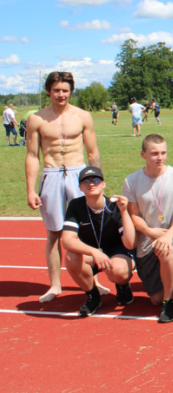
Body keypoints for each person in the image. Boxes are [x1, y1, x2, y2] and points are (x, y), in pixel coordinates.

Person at [25, 71, 102, 303]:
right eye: (57, 90)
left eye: (65, 90)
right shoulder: (36, 119)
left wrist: (97, 181)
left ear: (71, 91)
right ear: (48, 91)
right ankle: (55, 285)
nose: (61, 94)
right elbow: (32, 156)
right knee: (54, 233)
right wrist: (30, 189)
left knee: (87, 230)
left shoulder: (83, 116)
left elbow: (92, 152)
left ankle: (94, 281)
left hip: (79, 175)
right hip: (52, 174)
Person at [122, 134, 173, 323]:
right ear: (143, 154)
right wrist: (150, 232)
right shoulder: (131, 180)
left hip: (172, 233)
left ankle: (170, 302)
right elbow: (134, 215)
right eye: (154, 153)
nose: (160, 157)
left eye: (163, 153)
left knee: (165, 250)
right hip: (146, 239)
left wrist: (168, 236)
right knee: (155, 299)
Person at [61, 166, 136, 317]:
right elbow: (67, 240)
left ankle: (122, 286)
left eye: (96, 180)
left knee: (118, 271)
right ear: (80, 187)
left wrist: (124, 211)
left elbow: (130, 244)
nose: (91, 184)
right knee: (71, 257)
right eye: (86, 181)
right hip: (93, 253)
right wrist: (94, 252)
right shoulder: (76, 205)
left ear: (103, 184)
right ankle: (93, 296)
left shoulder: (115, 205)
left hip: (118, 252)